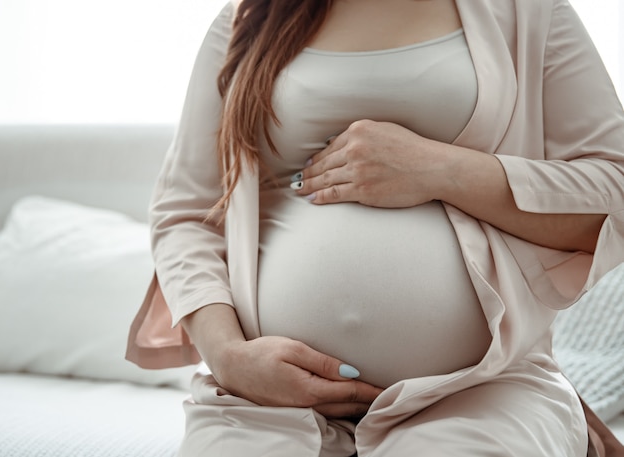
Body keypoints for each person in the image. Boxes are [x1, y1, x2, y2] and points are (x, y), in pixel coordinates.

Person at [126, 0, 624, 455]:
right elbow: (187, 212)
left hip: (477, 392)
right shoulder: (247, 19)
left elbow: (615, 189)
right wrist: (230, 356)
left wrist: (438, 169)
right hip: (266, 405)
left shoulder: (528, 12)